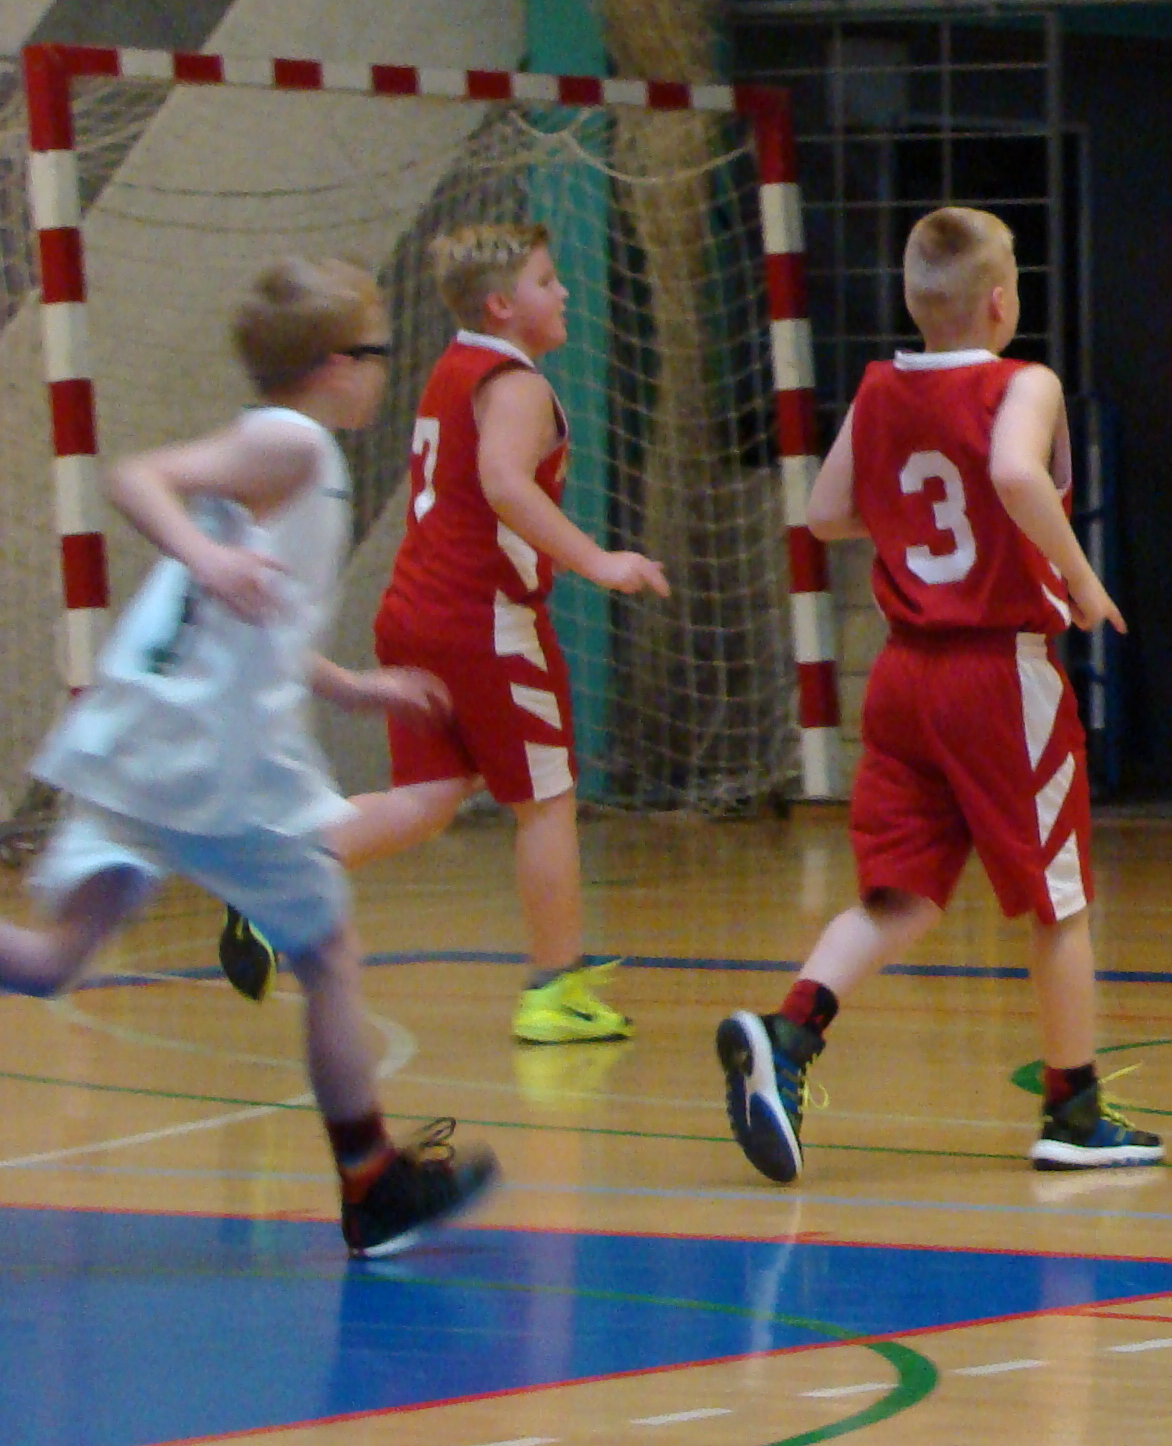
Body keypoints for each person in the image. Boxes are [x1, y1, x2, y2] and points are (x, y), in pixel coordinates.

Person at [1, 259, 497, 1257]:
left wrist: (348, 685)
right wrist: (207, 554)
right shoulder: (292, 443)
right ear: (332, 365)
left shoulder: (287, 456)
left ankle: (371, 1178)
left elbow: (251, 624)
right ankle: (370, 1181)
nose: (382, 372)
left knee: (53, 963)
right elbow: (137, 477)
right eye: (376, 354)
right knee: (327, 954)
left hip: (145, 740)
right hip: (210, 764)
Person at [716, 205, 1157, 1178]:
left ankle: (788, 1036)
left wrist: (915, 523)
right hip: (998, 670)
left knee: (901, 895)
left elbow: (825, 513)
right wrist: (1083, 581)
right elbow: (1012, 472)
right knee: (1060, 902)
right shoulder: (1025, 382)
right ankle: (1074, 1110)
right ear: (1001, 302)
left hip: (903, 672)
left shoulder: (881, 387)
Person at [220, 223, 672, 1041]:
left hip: (416, 611)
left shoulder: (454, 366)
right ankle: (555, 990)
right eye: (546, 280)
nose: (564, 291)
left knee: (426, 798)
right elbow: (504, 484)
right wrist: (597, 561)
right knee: (547, 802)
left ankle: (277, 867)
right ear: (502, 304)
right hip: (484, 620)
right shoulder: (516, 383)